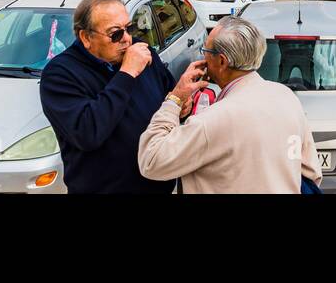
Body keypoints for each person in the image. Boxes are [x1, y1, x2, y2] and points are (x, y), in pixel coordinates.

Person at [138, 16, 322, 194]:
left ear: (222, 61)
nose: (203, 56)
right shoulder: (287, 97)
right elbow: (311, 173)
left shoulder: (211, 121)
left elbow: (151, 161)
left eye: (206, 51)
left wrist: (175, 99)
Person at [39, 0, 178, 194]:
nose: (127, 39)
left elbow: (166, 99)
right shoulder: (60, 74)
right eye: (115, 34)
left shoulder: (142, 52)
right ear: (86, 37)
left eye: (129, 28)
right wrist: (127, 73)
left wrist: (181, 98)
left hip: (156, 186)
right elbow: (88, 133)